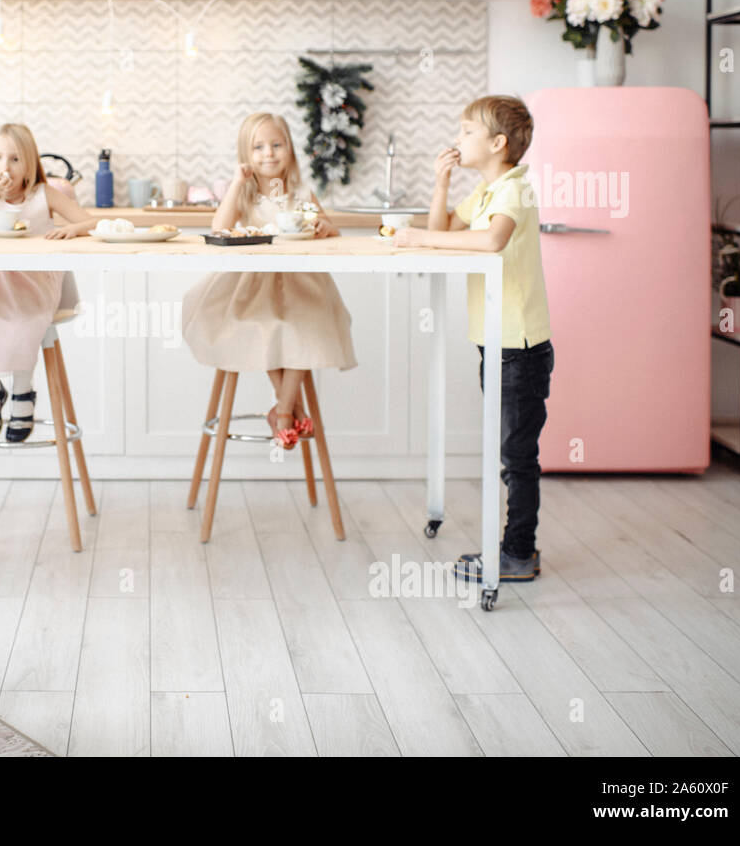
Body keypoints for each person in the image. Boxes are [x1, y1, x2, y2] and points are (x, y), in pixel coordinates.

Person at [394, 94, 553, 582]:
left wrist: (419, 238)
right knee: (509, 452)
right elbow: (443, 228)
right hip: (498, 342)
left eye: (466, 131)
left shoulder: (513, 190)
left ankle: (518, 553)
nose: (457, 138)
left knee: (516, 457)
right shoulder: (487, 191)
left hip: (519, 347)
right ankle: (515, 549)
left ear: (497, 143)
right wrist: (440, 183)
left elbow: (490, 241)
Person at [180, 111, 358, 447]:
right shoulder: (244, 194)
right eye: (258, 147)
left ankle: (283, 411)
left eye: (277, 145)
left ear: (289, 149)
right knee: (270, 327)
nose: (269, 153)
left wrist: (325, 227)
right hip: (252, 284)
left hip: (300, 284)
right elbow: (219, 228)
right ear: (245, 156)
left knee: (303, 325)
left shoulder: (301, 192)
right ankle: (288, 409)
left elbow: (326, 225)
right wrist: (236, 182)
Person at [0, 123, 96, 442]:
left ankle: (23, 392)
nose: (4, 167)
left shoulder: (43, 194)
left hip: (35, 280)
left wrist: (72, 229)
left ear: (29, 165)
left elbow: (90, 221)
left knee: (22, 318)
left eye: (14, 159)